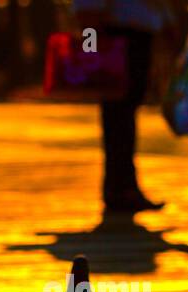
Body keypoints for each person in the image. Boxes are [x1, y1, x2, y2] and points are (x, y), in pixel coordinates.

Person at [74, 0, 179, 213]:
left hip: (135, 32)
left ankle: (123, 185)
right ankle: (120, 188)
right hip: (118, 32)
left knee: (125, 110)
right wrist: (90, 39)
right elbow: (88, 9)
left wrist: (166, 21)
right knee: (118, 111)